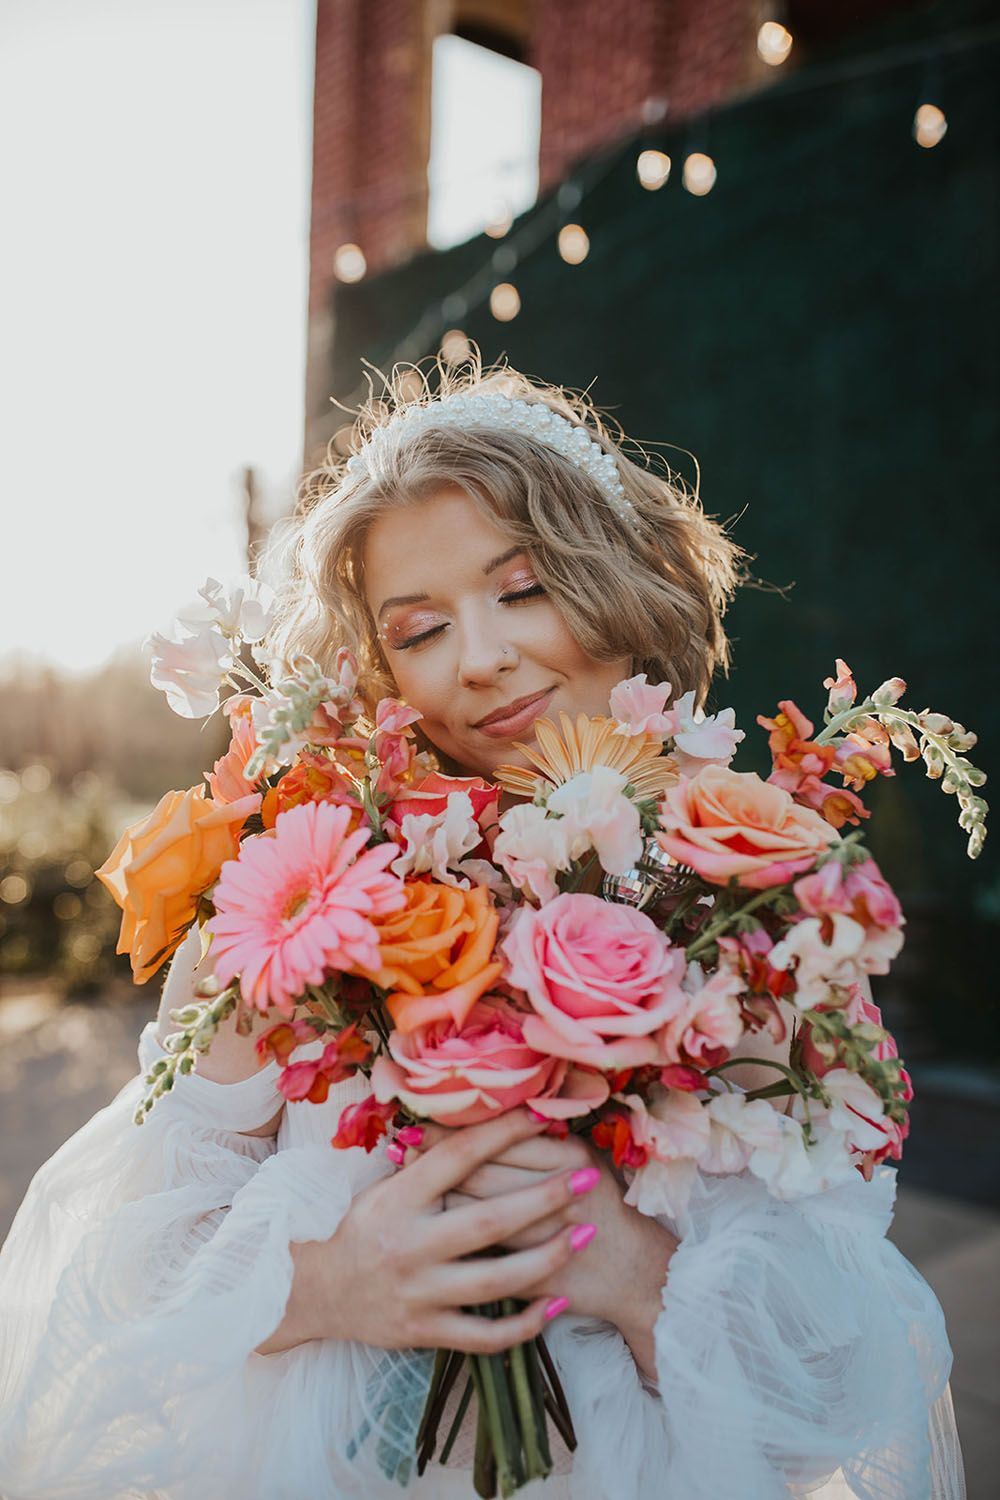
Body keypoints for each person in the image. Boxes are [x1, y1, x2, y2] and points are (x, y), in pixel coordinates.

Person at [0, 355, 966, 1499]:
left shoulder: (761, 909)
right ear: (376, 669)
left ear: (620, 575)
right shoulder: (298, 897)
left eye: (521, 590)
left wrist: (633, 1273)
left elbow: (833, 1401)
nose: (481, 656)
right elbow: (128, 1269)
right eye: (419, 631)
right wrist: (326, 1287)